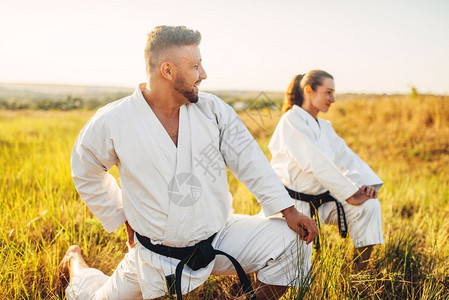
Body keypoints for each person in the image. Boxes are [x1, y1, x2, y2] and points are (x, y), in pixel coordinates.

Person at [59, 26, 318, 300]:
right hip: (155, 258)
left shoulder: (213, 111)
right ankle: (76, 264)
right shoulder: (115, 120)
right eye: (195, 66)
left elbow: (250, 160)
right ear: (168, 71)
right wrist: (121, 214)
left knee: (294, 243)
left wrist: (288, 210)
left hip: (219, 237)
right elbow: (85, 170)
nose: (203, 74)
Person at [269, 70, 384, 271]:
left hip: (323, 202)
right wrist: (349, 194)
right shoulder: (291, 121)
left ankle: (360, 270)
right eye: (328, 92)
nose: (333, 99)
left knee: (369, 206)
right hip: (294, 206)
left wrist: (364, 186)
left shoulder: (325, 126)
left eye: (333, 93)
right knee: (293, 268)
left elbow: (347, 158)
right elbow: (316, 162)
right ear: (309, 91)